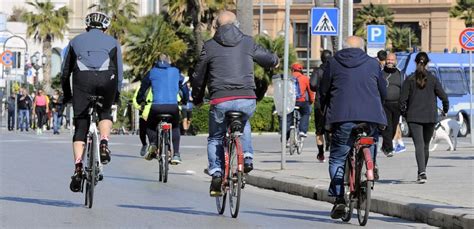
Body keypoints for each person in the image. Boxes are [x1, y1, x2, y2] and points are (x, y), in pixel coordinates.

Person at [192, 11, 279, 197]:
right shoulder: (247, 42)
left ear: (216, 26)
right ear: (237, 24)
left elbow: (199, 75)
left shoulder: (209, 46)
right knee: (244, 122)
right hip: (247, 98)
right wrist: (275, 61)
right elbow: (268, 59)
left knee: (215, 138)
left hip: (220, 99)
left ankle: (216, 173)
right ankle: (247, 157)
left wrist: (197, 98)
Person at [319, 36, 387, 219]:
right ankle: (367, 174)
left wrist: (324, 111)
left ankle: (339, 198)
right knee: (370, 142)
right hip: (370, 117)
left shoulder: (333, 63)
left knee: (337, 158)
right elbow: (384, 91)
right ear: (363, 48)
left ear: (343, 47)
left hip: (342, 117)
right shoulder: (373, 64)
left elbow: (323, 91)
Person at [61, 12, 123, 192]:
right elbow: (119, 73)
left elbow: (65, 73)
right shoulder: (113, 42)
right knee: (105, 112)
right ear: (105, 27)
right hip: (107, 79)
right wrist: (115, 95)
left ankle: (78, 168)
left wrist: (67, 95)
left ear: (87, 26)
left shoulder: (74, 41)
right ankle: (104, 143)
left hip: (82, 81)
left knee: (81, 124)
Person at [400, 52, 448, 184]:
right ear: (428, 63)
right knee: (425, 145)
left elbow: (402, 101)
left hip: (414, 117)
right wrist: (445, 110)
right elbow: (444, 97)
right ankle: (422, 172)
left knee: (419, 145)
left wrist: (405, 114)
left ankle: (422, 172)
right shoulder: (433, 79)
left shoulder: (409, 79)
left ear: (416, 63)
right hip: (430, 116)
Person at [137, 54, 183, 164]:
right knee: (175, 127)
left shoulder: (152, 72)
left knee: (150, 125)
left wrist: (140, 100)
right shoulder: (176, 72)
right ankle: (176, 154)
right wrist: (185, 99)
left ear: (156, 62)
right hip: (173, 107)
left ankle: (153, 143)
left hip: (156, 107)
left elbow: (143, 87)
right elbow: (184, 87)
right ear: (169, 61)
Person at [380, 53, 405, 157]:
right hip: (384, 104)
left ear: (396, 61)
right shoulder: (381, 73)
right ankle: (389, 149)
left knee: (394, 127)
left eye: (392, 60)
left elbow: (404, 89)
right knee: (387, 126)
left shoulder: (400, 74)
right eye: (388, 60)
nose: (390, 62)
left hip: (396, 105)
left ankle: (384, 146)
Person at [310, 50, 332, 162]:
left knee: (319, 131)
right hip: (333, 103)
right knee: (333, 128)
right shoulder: (335, 70)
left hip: (320, 104)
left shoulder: (317, 71)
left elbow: (312, 85)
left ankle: (321, 153)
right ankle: (333, 151)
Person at [290, 63, 314, 138]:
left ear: (292, 70)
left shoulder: (287, 77)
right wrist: (311, 100)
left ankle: (286, 137)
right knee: (305, 113)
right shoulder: (305, 78)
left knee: (287, 115)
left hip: (290, 102)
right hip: (301, 101)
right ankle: (302, 131)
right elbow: (310, 91)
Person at [133, 83, 153, 156]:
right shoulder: (143, 86)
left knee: (152, 131)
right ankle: (144, 144)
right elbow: (135, 99)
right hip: (144, 112)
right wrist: (140, 107)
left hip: (156, 110)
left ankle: (154, 147)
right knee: (142, 132)